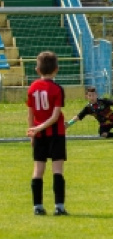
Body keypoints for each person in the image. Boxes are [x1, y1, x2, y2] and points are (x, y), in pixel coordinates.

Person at [26, 51, 68, 216]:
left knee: (38, 170)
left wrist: (33, 131)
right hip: (55, 134)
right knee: (57, 169)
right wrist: (37, 129)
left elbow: (30, 113)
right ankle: (59, 207)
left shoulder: (32, 87)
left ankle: (38, 207)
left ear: (37, 70)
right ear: (56, 70)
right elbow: (55, 116)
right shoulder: (57, 89)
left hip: (39, 135)